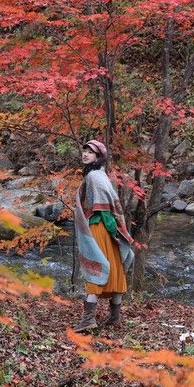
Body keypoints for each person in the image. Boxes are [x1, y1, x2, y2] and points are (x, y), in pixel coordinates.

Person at [74, 139, 134, 332]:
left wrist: (107, 227)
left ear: (98, 157)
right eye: (85, 150)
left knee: (95, 267)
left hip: (99, 228)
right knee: (114, 270)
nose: (85, 154)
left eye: (90, 152)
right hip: (107, 230)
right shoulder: (100, 175)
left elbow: (104, 209)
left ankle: (88, 319)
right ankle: (115, 317)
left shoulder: (94, 176)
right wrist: (117, 231)